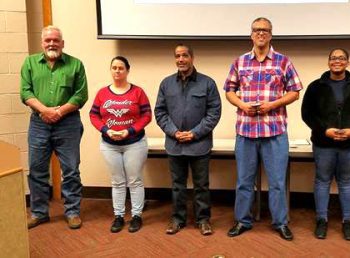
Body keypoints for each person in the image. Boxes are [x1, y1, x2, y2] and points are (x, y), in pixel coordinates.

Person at [224, 17, 303, 241]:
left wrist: (273, 105)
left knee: (277, 182)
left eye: (265, 30)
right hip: (246, 131)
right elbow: (229, 90)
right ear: (251, 34)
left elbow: (295, 91)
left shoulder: (283, 61)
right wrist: (242, 105)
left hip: (275, 131)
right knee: (244, 181)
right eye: (257, 30)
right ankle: (242, 221)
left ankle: (280, 223)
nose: (261, 33)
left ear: (271, 34)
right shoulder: (239, 62)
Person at [301, 48, 350, 241]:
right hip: (323, 143)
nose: (337, 61)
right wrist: (324, 130)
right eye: (334, 58)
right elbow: (307, 114)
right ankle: (321, 220)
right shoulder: (316, 86)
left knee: (346, 181)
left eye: (341, 58)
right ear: (328, 62)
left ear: (348, 63)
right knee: (322, 180)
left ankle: (347, 221)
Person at [20, 25, 88, 230]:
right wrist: (45, 111)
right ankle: (39, 213)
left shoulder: (76, 64)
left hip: (68, 123)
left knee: (71, 170)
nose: (52, 43)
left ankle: (73, 212)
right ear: (42, 43)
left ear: (62, 43)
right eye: (48, 40)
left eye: (55, 40)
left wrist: (58, 112)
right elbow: (25, 92)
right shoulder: (30, 63)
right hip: (39, 124)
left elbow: (80, 95)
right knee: (37, 171)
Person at [155, 44, 221, 236]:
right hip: (175, 144)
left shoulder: (207, 83)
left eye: (184, 55)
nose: (181, 59)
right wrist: (174, 132)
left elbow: (214, 113)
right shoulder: (166, 84)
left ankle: (203, 220)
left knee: (201, 186)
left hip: (199, 144)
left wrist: (194, 133)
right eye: (177, 56)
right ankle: (177, 219)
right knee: (177, 185)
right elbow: (160, 112)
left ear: (192, 57)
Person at [89, 56, 152, 233]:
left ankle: (136, 216)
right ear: (111, 70)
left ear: (127, 70)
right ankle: (118, 216)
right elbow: (94, 115)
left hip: (134, 143)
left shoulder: (137, 92)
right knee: (117, 181)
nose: (117, 71)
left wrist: (129, 131)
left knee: (134, 180)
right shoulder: (102, 93)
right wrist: (105, 130)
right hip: (109, 144)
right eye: (114, 68)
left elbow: (147, 115)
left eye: (121, 68)